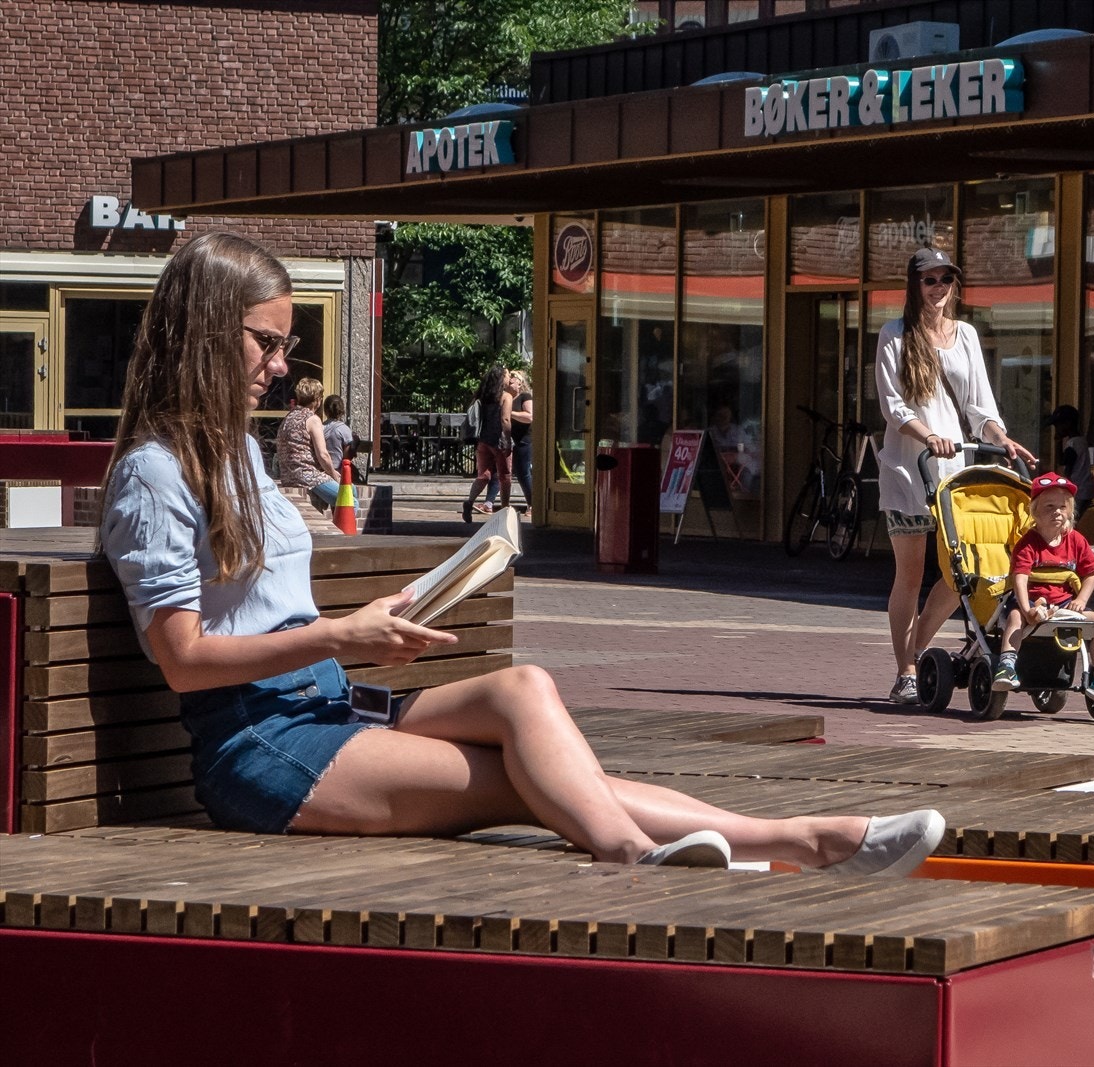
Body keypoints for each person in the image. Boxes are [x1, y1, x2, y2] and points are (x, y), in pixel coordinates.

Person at [96, 231, 944, 876]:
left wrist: (376, 621)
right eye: (267, 342)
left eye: (286, 346)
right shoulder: (154, 472)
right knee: (533, 780)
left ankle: (788, 837)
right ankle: (691, 850)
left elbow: (262, 608)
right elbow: (182, 659)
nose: (281, 367)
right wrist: (341, 635)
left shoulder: (236, 453)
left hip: (326, 703)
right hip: (262, 741)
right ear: (206, 332)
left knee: (524, 689)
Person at [875, 247, 1036, 704]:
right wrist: (928, 435)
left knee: (962, 571)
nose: (939, 288)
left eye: (946, 279)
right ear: (914, 285)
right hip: (909, 470)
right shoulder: (894, 334)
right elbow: (893, 405)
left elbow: (980, 407)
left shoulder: (965, 334)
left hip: (954, 476)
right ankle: (906, 671)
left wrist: (1002, 438)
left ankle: (916, 653)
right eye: (930, 280)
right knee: (910, 575)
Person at [991, 473, 1094, 707]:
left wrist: (1081, 600)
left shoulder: (1076, 540)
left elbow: (1091, 574)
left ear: (1070, 511)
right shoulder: (1028, 544)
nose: (1057, 512)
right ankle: (1006, 666)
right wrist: (1026, 609)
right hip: (1032, 600)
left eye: (1062, 507)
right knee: (1015, 617)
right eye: (1049, 506)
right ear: (1035, 511)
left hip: (1064, 603)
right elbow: (1020, 579)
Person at [275, 377, 341, 510]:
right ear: (317, 399)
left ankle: (337, 519)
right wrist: (333, 474)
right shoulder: (312, 419)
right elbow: (323, 455)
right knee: (350, 499)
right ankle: (342, 524)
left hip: (288, 477)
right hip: (308, 476)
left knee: (344, 495)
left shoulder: (288, 418)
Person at [461, 364, 513, 522]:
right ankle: (505, 509)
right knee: (505, 476)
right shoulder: (505, 397)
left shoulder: (483, 396)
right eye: (507, 375)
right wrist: (508, 440)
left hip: (483, 441)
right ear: (501, 378)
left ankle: (470, 501)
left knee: (483, 475)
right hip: (499, 441)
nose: (509, 377)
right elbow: (505, 420)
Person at [1044, 404, 1094, 517]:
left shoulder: (1073, 444)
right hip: (1086, 489)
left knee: (1070, 519)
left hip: (1078, 491)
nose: (1057, 429)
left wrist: (1058, 442)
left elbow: (1064, 464)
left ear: (1067, 423)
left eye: (1058, 425)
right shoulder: (1081, 440)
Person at [507, 368, 535, 513]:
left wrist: (509, 413)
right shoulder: (507, 397)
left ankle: (533, 504)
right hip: (511, 439)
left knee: (524, 472)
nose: (510, 381)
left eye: (513, 378)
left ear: (520, 382)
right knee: (513, 471)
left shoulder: (525, 396)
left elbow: (529, 416)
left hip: (525, 439)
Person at [321, 394, 354, 466]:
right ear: (341, 411)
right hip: (338, 468)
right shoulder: (344, 429)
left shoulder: (320, 428)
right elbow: (347, 454)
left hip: (321, 467)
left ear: (325, 411)